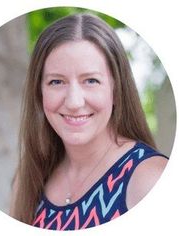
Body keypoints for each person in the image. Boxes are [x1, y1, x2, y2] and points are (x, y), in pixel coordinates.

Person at [9, 13, 168, 230]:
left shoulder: (150, 180)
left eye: (91, 80)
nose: (74, 102)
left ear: (116, 89)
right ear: (39, 92)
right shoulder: (28, 179)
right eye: (56, 81)